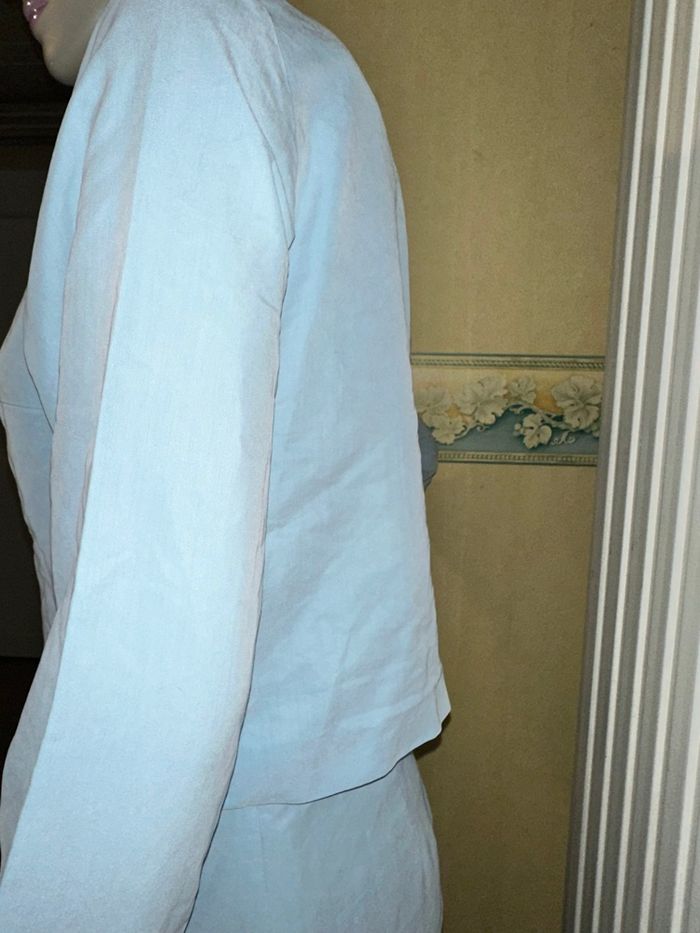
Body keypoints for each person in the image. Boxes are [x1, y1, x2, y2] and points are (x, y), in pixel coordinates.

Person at [0, 0, 451, 929]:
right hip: (343, 818)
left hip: (213, 838)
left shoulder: (180, 41)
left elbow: (157, 596)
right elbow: (382, 440)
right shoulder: (306, 58)